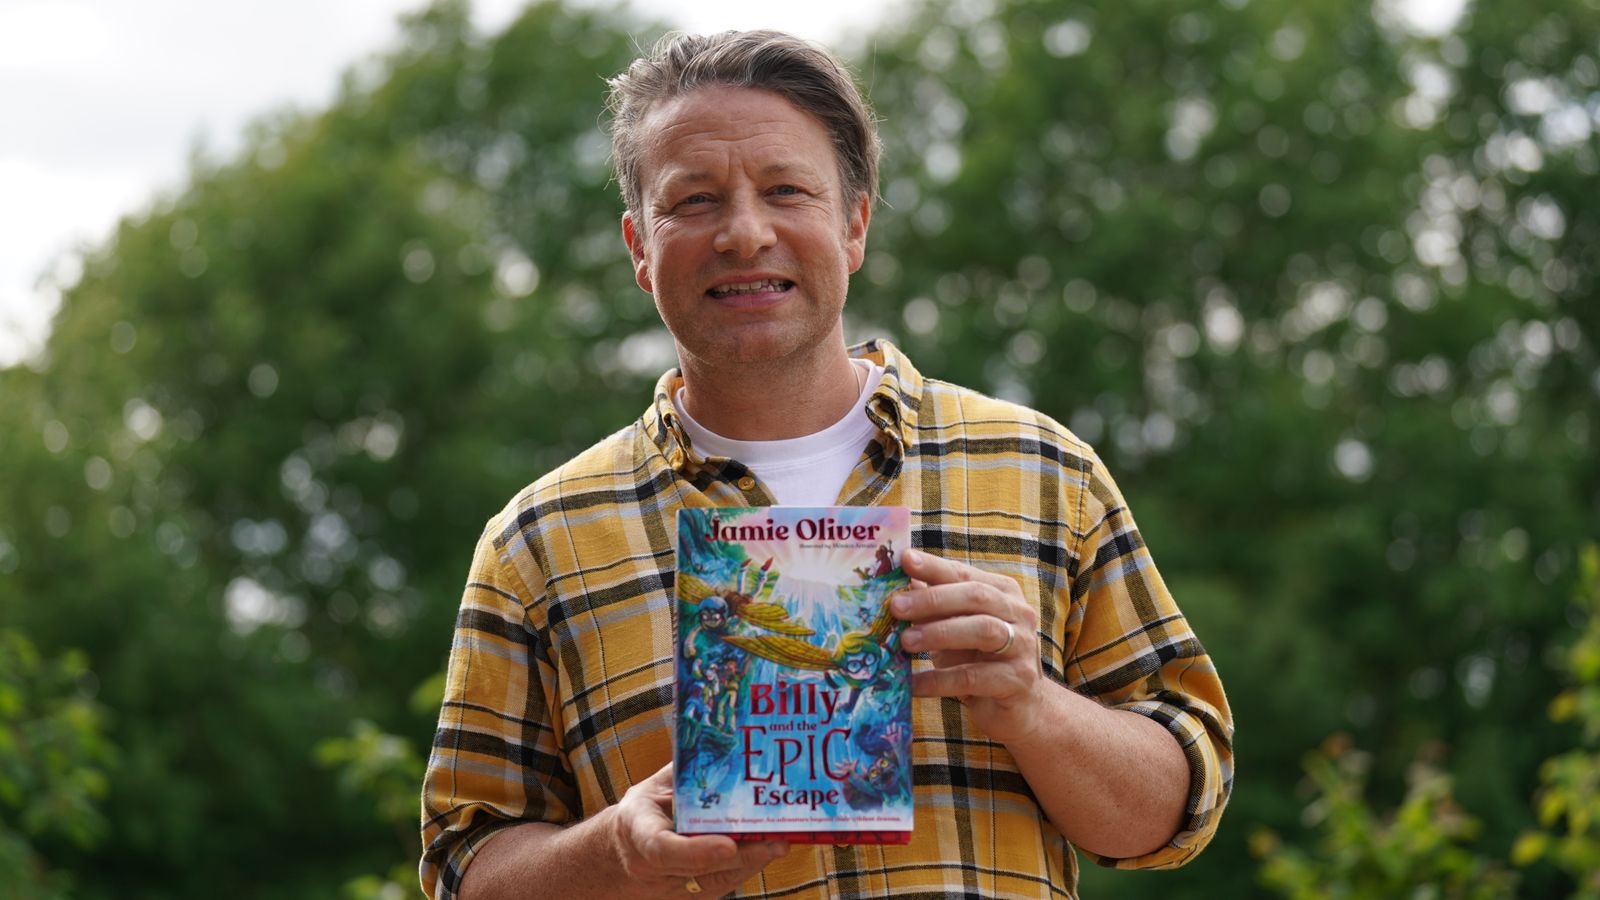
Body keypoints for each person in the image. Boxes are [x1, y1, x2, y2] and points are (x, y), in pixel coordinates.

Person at [420, 30, 1233, 900]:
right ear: (638, 248)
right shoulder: (538, 544)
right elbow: (466, 867)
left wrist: (1032, 705)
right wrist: (620, 848)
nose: (743, 232)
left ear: (854, 224)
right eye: (693, 201)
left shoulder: (1041, 470)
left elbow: (1177, 812)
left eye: (786, 190)